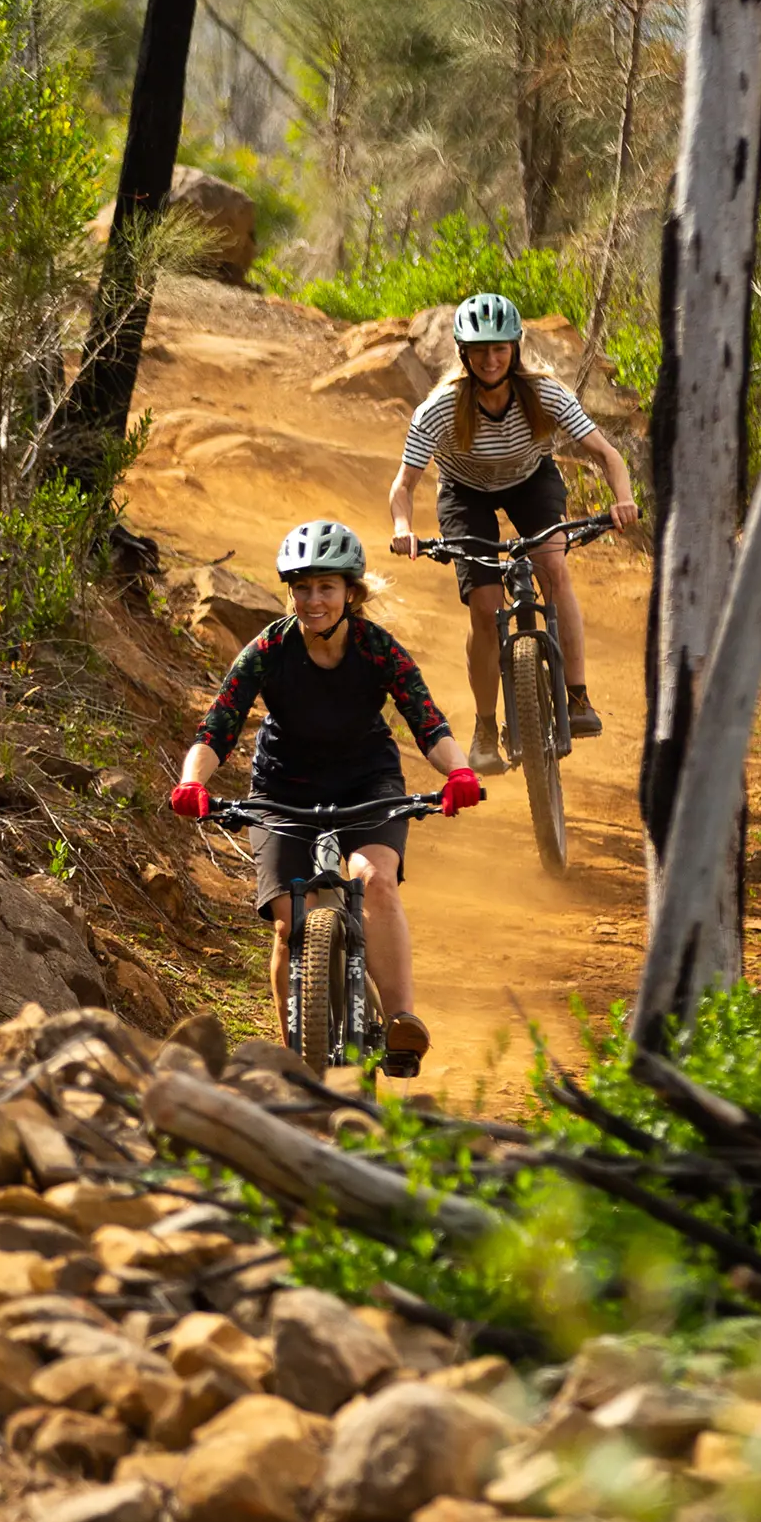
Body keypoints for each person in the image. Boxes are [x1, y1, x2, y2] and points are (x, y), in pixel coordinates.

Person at [167, 519, 480, 1071]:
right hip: (282, 786)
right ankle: (299, 1058)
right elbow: (217, 727)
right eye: (302, 587)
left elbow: (427, 722)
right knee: (291, 923)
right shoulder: (266, 649)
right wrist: (193, 782)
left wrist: (458, 774)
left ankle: (403, 1023)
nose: (313, 600)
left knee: (375, 880)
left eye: (326, 588)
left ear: (350, 593)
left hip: (367, 782)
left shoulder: (378, 648)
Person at [386, 291, 638, 773]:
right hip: (465, 492)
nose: (490, 359)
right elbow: (405, 484)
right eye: (479, 350)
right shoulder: (440, 408)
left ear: (515, 348)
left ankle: (578, 697)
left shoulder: (544, 393)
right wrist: (403, 527)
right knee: (485, 606)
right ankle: (485, 727)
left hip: (531, 481)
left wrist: (622, 500)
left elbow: (607, 455)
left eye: (500, 348)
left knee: (553, 566)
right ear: (463, 353)